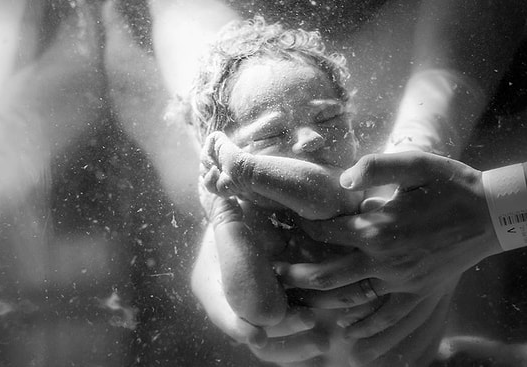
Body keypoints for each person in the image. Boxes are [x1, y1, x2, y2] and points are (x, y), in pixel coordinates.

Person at [186, 16, 455, 367]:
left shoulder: (365, 190)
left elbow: (324, 196)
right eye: (269, 136)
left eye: (329, 120)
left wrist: (246, 169)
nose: (311, 139)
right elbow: (262, 312)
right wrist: (224, 219)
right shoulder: (248, 225)